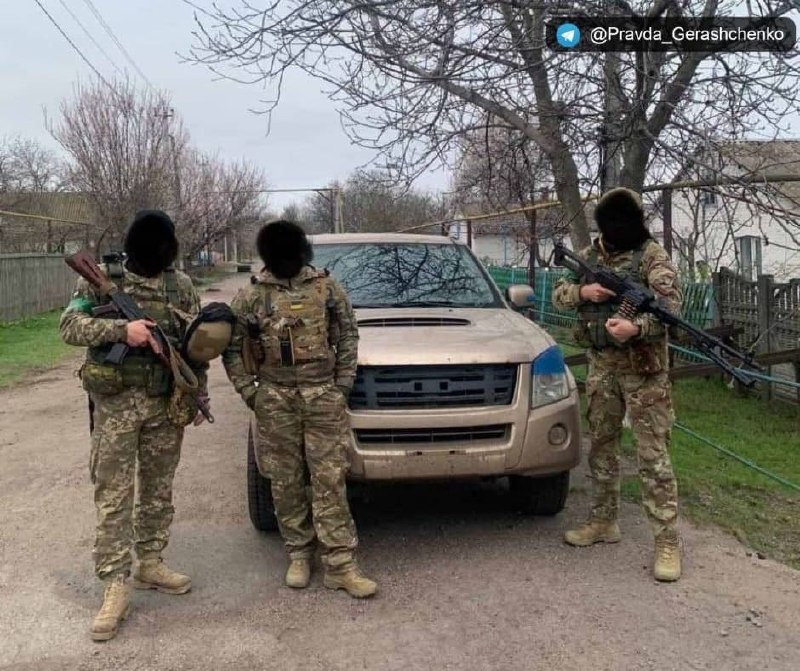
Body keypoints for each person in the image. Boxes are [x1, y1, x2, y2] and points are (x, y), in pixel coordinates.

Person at [60, 210, 208, 640]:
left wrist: (198, 394)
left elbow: (195, 348)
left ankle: (150, 563)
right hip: (116, 407)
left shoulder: (180, 285)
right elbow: (69, 326)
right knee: (114, 495)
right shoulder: (101, 279)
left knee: (158, 490)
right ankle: (115, 584)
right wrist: (123, 332)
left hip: (165, 405)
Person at [223, 220, 377, 598]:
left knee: (329, 478)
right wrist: (250, 392)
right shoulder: (252, 296)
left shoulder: (326, 288)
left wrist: (342, 384)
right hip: (275, 397)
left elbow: (348, 334)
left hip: (322, 394)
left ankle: (340, 564)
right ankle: (298, 553)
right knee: (285, 480)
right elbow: (231, 347)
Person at [552, 188, 682, 582]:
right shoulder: (588, 256)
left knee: (653, 455)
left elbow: (671, 308)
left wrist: (636, 328)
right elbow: (558, 295)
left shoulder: (652, 256)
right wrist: (583, 292)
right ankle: (604, 521)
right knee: (602, 447)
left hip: (644, 372)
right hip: (602, 367)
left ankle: (667, 541)